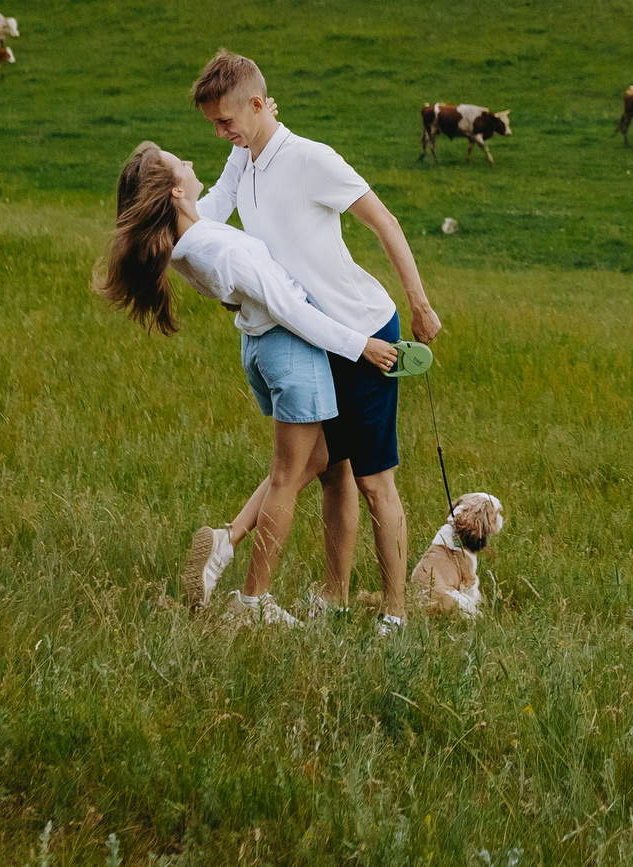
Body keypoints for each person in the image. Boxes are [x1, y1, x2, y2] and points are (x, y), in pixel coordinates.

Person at [187, 50, 444, 633]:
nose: (221, 133)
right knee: (333, 472)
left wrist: (420, 302)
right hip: (314, 335)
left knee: (376, 483)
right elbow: (205, 221)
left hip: (366, 329)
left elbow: (385, 221)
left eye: (226, 121)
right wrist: (165, 209)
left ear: (258, 104)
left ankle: (396, 616)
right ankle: (334, 596)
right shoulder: (241, 161)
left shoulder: (311, 159)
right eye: (213, 126)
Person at [92, 139, 388, 624]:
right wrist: (360, 345)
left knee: (322, 462)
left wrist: (247, 139)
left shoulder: (190, 235)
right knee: (289, 478)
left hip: (263, 348)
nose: (189, 162)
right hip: (290, 347)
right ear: (173, 192)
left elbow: (226, 190)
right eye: (179, 163)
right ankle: (252, 602)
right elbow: (291, 310)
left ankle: (230, 544)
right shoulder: (216, 248)